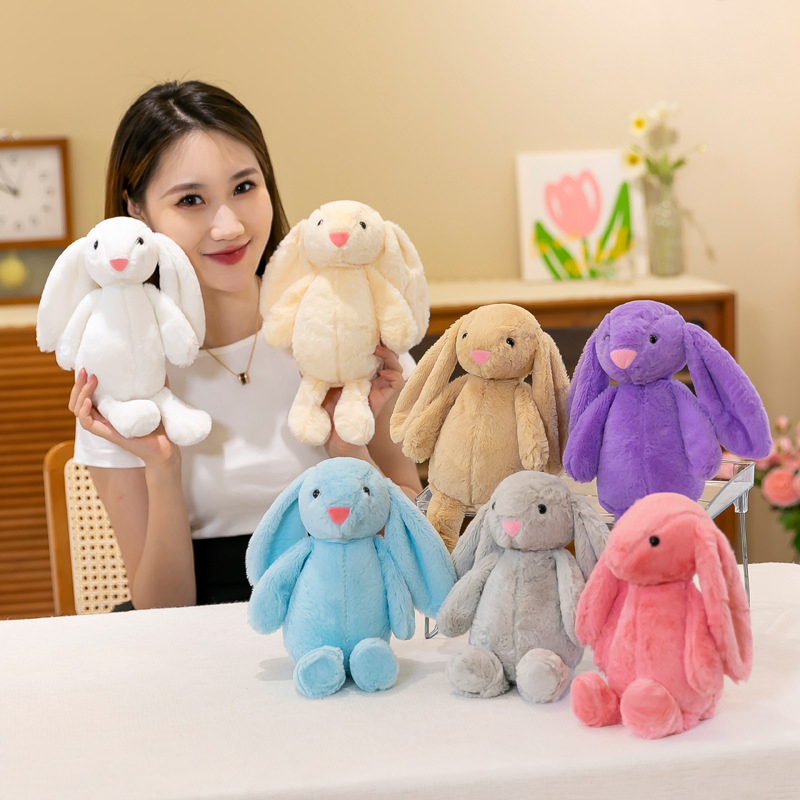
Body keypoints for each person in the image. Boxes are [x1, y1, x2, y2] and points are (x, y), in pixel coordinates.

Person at [69, 80, 422, 610]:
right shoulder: (122, 377)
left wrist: (348, 449)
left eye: (244, 187)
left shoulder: (352, 331)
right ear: (137, 212)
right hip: (197, 633)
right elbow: (159, 610)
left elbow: (416, 548)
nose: (229, 226)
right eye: (191, 200)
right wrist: (162, 469)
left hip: (344, 611)